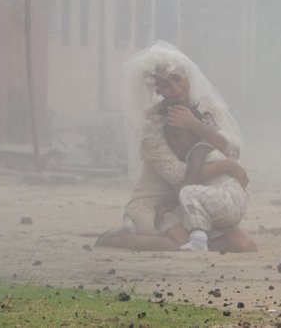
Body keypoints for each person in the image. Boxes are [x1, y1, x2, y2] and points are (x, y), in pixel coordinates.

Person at [96, 41, 257, 253]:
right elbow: (178, 175)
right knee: (178, 244)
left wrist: (195, 125)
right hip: (160, 202)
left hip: (199, 198)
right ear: (157, 89)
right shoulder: (153, 124)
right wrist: (227, 166)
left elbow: (233, 148)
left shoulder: (208, 106)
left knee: (244, 244)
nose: (174, 89)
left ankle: (201, 241)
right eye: (164, 85)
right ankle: (119, 240)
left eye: (176, 79)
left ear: (187, 77)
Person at [160, 120, 250, 252]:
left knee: (187, 192)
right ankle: (209, 240)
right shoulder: (208, 151)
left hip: (227, 197)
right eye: (169, 138)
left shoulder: (199, 149)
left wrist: (165, 203)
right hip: (234, 202)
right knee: (194, 204)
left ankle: (198, 241)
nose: (173, 142)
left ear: (194, 135)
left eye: (178, 136)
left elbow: (191, 178)